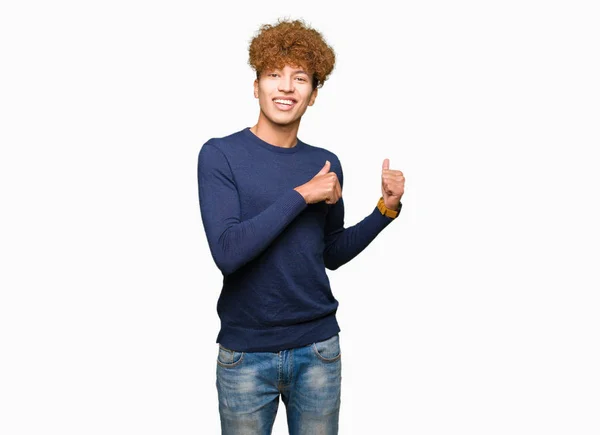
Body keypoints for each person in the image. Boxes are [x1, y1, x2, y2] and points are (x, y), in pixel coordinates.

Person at [197, 18, 405, 435]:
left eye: (300, 78)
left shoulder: (325, 163)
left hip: (317, 349)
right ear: (256, 86)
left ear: (313, 94)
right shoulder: (219, 155)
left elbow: (330, 253)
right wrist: (301, 195)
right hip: (245, 354)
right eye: (274, 75)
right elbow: (228, 252)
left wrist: (385, 209)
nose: (286, 87)